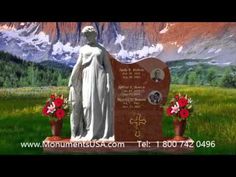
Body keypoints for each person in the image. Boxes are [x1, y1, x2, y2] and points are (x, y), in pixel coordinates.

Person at [68, 26, 114, 141]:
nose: (87, 37)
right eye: (85, 36)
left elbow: (108, 67)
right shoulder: (83, 49)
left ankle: (99, 132)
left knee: (99, 105)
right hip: (87, 78)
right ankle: (88, 131)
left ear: (94, 35)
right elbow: (78, 65)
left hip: (100, 78)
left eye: (89, 35)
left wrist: (109, 82)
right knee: (87, 105)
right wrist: (72, 79)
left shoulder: (101, 49)